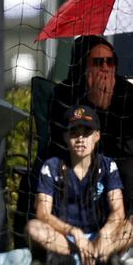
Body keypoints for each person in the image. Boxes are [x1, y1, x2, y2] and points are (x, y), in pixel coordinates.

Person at [26, 105, 127, 264]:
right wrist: (74, 233)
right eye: (74, 132)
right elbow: (42, 213)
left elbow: (118, 212)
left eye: (86, 132)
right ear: (66, 137)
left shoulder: (108, 166)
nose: (80, 138)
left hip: (101, 239)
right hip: (66, 240)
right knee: (33, 227)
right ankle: (78, 257)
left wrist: (103, 236)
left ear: (97, 136)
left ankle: (98, 254)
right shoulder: (52, 166)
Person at [48, 36, 133, 213]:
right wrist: (94, 107)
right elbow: (65, 140)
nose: (105, 68)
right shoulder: (64, 94)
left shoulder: (126, 92)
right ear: (83, 66)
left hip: (119, 163)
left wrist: (106, 109)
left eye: (110, 62)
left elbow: (125, 142)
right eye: (97, 62)